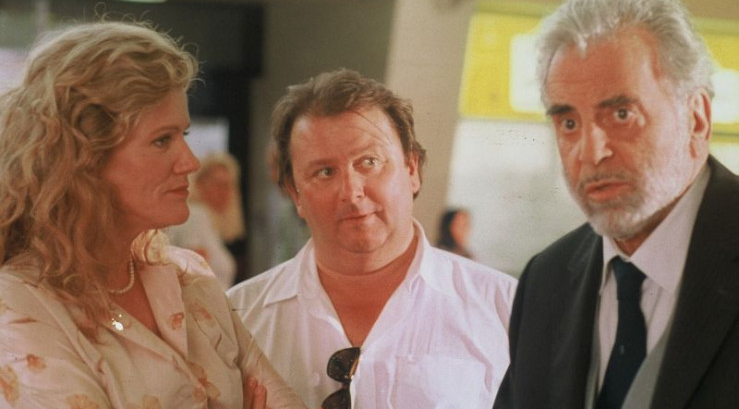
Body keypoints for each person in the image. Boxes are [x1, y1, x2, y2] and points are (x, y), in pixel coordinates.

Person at [0, 21, 305, 408]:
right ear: (83, 160)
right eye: (162, 140)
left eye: (184, 135)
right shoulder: (18, 305)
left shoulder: (189, 276)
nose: (190, 162)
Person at [494, 0, 739, 408]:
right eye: (568, 122)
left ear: (696, 117)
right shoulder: (545, 281)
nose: (591, 152)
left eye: (622, 114)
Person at [227, 68, 517, 409]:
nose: (351, 191)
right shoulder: (238, 319)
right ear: (295, 194)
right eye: (325, 172)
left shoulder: (505, 308)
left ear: (412, 169)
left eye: (370, 162)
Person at [168, 152, 243, 289]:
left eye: (228, 185)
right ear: (199, 184)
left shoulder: (207, 221)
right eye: (217, 184)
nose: (224, 192)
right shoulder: (196, 216)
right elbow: (193, 276)